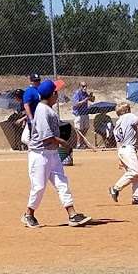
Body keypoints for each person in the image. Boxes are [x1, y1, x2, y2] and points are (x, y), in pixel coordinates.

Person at [22, 79, 91, 229]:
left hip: (51, 153)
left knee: (62, 183)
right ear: (53, 94)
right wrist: (65, 143)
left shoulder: (48, 109)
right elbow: (46, 137)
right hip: (40, 154)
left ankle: (72, 215)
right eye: (56, 92)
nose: (57, 94)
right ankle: (28, 214)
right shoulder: (41, 110)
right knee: (39, 187)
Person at [109, 103, 138, 205]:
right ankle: (115, 188)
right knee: (135, 173)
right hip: (129, 149)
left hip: (123, 150)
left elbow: (118, 142)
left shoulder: (118, 123)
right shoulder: (128, 116)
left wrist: (119, 158)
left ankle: (136, 197)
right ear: (126, 110)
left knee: (136, 174)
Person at [20, 74, 42, 147]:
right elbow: (26, 105)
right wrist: (31, 118)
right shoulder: (29, 91)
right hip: (34, 119)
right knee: (35, 139)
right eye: (35, 81)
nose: (37, 82)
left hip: (41, 118)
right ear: (31, 82)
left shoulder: (39, 90)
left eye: (38, 80)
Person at [70, 82, 92, 147]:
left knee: (86, 128)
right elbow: (75, 104)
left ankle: (82, 142)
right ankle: (79, 144)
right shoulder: (77, 93)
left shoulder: (85, 93)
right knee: (79, 129)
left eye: (86, 86)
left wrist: (91, 97)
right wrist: (85, 100)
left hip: (85, 113)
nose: (85, 87)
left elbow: (92, 100)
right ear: (80, 86)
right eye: (83, 86)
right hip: (79, 114)